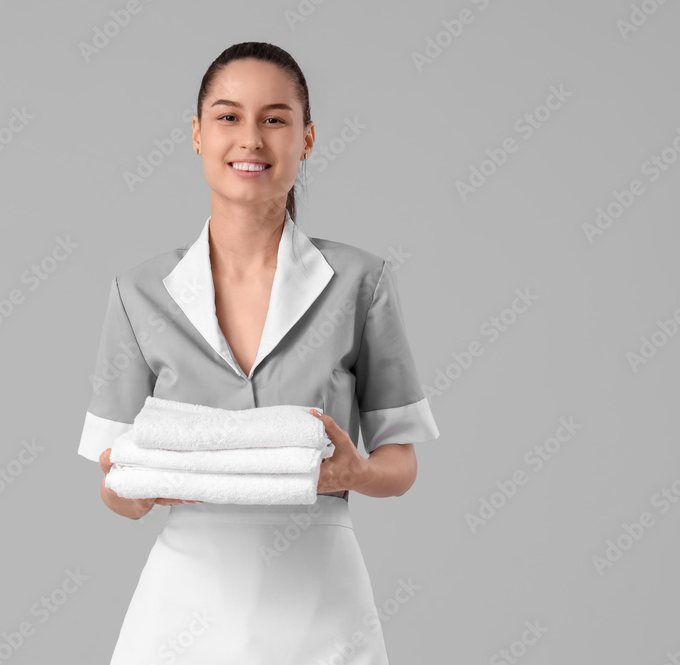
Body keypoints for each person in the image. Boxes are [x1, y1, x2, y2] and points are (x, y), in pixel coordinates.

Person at [78, 41, 440, 664]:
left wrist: (354, 473)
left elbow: (400, 464)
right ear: (196, 134)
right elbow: (114, 484)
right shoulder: (138, 293)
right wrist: (142, 487)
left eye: (275, 119)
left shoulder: (360, 281)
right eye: (227, 117)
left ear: (307, 137)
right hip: (184, 603)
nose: (251, 138)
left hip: (322, 601)